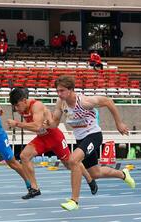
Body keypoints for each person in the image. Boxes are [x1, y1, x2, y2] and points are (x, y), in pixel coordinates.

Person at [47, 76, 135, 210]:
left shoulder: (84, 102)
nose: (59, 94)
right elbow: (54, 123)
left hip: (93, 136)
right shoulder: (61, 103)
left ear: (71, 90)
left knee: (73, 160)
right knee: (95, 173)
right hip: (81, 139)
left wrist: (119, 123)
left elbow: (108, 101)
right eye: (57, 91)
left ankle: (74, 201)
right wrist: (47, 124)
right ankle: (123, 174)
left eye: (62, 91)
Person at [8, 88, 97, 199]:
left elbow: (37, 126)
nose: (17, 109)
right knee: (24, 156)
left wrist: (17, 123)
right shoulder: (23, 107)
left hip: (55, 138)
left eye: (17, 105)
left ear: (24, 100)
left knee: (70, 164)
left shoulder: (36, 106)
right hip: (42, 139)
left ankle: (89, 179)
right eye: (14, 107)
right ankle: (34, 188)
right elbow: (37, 129)